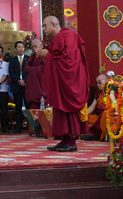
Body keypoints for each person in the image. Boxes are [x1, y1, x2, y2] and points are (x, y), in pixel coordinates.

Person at [38, 16, 89, 152]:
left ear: (54, 24)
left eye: (45, 26)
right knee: (60, 109)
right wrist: (46, 55)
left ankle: (71, 142)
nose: (43, 29)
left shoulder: (69, 35)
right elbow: (57, 57)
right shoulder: (56, 40)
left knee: (69, 109)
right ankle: (65, 140)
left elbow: (69, 61)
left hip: (70, 81)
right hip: (62, 81)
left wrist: (47, 55)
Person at [82, 74, 110, 141]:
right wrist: (83, 115)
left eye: (100, 82)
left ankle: (101, 136)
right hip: (98, 114)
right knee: (88, 118)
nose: (98, 85)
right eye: (97, 83)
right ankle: (94, 135)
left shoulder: (111, 91)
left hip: (107, 114)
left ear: (106, 81)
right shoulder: (98, 94)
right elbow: (92, 107)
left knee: (104, 115)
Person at [9, 41, 29, 133]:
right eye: (19, 47)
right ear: (16, 49)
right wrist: (19, 80)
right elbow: (11, 72)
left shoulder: (28, 59)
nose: (21, 48)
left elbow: (30, 72)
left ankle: (30, 125)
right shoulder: (12, 60)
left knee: (28, 106)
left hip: (26, 86)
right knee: (18, 107)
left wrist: (25, 81)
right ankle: (18, 125)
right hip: (16, 86)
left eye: (22, 47)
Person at [24, 39, 46, 110]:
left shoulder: (45, 56)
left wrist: (32, 69)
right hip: (33, 87)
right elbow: (26, 68)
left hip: (42, 86)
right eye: (32, 47)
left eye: (36, 46)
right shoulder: (32, 57)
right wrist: (34, 69)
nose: (34, 49)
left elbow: (44, 68)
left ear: (41, 46)